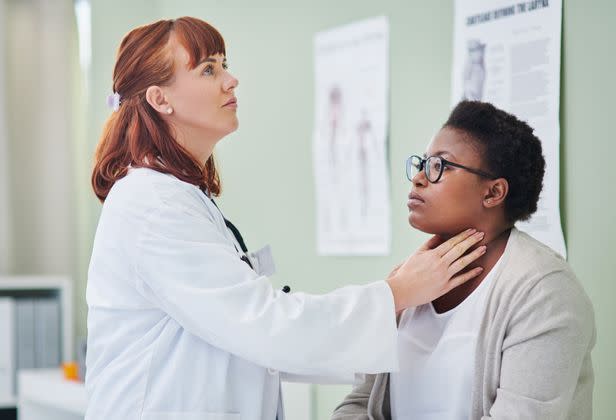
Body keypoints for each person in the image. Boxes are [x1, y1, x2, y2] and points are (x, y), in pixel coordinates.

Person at [85, 18, 487, 420]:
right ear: (160, 99)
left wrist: (393, 310)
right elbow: (264, 325)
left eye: (225, 65)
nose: (231, 80)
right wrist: (397, 292)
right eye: (209, 69)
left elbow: (255, 336)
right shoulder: (152, 205)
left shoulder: (179, 198)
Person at [332, 101, 595, 420]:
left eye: (439, 166)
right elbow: (357, 405)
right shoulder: (409, 280)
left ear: (493, 193)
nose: (418, 178)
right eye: (422, 164)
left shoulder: (545, 292)